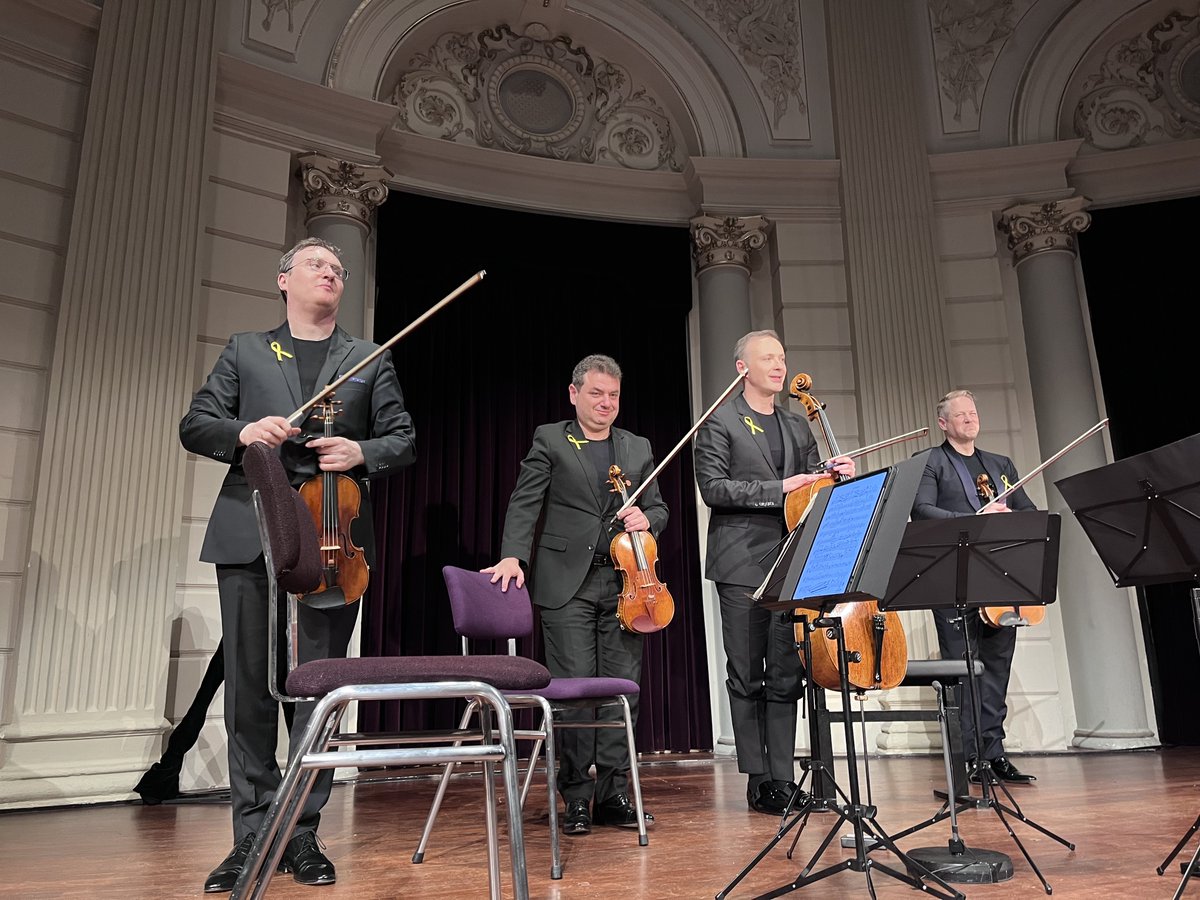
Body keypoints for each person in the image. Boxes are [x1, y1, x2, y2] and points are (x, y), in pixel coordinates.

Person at [180, 237, 416, 892]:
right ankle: (251, 837)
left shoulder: (369, 358)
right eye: (317, 264)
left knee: (316, 691)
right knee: (250, 692)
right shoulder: (245, 350)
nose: (331, 273)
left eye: (339, 269)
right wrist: (244, 432)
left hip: (335, 539)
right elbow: (196, 423)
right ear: (284, 280)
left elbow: (403, 439)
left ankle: (302, 835)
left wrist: (360, 451)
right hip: (251, 530)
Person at [483, 354, 666, 836]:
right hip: (567, 582)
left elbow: (659, 508)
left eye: (613, 396)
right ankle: (577, 797)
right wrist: (512, 556)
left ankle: (614, 793)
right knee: (573, 694)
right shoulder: (551, 438)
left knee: (621, 693)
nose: (606, 403)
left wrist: (649, 519)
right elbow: (526, 500)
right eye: (596, 394)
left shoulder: (638, 447)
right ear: (574, 394)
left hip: (628, 582)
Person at [694, 330, 854, 815]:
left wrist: (833, 475)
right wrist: (780, 486)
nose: (779, 366)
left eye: (782, 357)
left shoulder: (796, 424)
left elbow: (812, 492)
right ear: (743, 367)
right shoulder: (719, 422)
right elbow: (715, 489)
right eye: (768, 358)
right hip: (741, 561)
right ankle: (757, 778)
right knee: (746, 673)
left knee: (785, 673)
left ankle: (783, 777)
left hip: (792, 562)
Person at [911, 389, 1036, 784]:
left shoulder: (1000, 464)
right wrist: (978, 516)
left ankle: (994, 752)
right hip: (955, 578)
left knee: (997, 665)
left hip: (999, 576)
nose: (969, 419)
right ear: (944, 423)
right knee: (964, 666)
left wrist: (1008, 517)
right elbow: (922, 510)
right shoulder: (931, 462)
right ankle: (969, 757)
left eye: (973, 412)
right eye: (960, 414)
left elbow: (1028, 511)